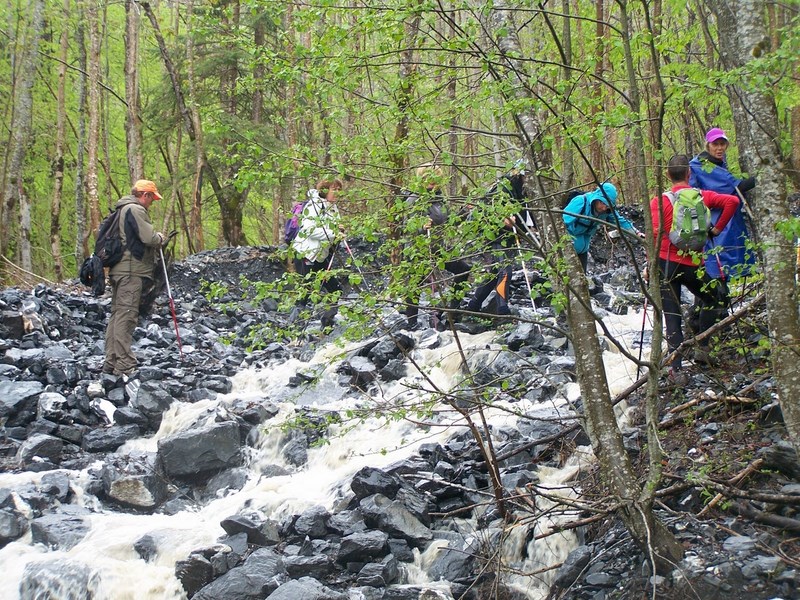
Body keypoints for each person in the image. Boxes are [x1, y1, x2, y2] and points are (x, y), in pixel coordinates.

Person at [651, 155, 739, 378]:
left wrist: (649, 264)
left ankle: (676, 370)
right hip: (693, 265)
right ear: (689, 175)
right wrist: (716, 230)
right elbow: (733, 202)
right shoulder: (701, 196)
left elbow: (654, 233)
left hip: (666, 263)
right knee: (713, 298)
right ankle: (703, 347)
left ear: (668, 175)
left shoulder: (659, 202)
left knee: (672, 315)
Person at [689, 127, 757, 317]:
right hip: (715, 227)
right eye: (715, 144)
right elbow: (734, 187)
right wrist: (760, 177)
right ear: (708, 145)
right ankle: (706, 320)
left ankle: (708, 319)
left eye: (722, 144)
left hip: (724, 225)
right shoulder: (701, 166)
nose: (719, 148)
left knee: (718, 274)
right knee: (714, 272)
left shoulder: (718, 164)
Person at [103, 180, 166, 377]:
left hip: (119, 270)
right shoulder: (136, 210)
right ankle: (124, 363)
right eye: (152, 198)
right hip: (130, 270)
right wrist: (160, 238)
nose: (152, 203)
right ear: (145, 195)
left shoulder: (121, 208)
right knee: (127, 314)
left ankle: (111, 361)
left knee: (117, 314)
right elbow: (149, 238)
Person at [402, 164, 470, 329]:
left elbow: (449, 221)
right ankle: (412, 326)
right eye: (428, 180)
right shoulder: (414, 199)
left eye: (434, 180)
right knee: (414, 286)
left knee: (464, 269)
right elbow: (406, 227)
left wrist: (464, 212)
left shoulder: (440, 199)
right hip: (418, 249)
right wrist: (421, 227)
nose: (432, 184)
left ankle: (450, 309)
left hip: (438, 248)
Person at [466, 161, 535, 317]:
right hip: (494, 235)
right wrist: (502, 217)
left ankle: (473, 307)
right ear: (519, 174)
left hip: (509, 235)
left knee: (496, 273)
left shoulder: (524, 189)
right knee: (505, 272)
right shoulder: (504, 187)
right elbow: (490, 209)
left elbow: (527, 210)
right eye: (527, 175)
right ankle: (502, 311)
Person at [290, 178, 344, 329]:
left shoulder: (333, 208)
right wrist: (334, 233)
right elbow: (308, 229)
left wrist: (339, 231)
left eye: (339, 190)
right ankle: (294, 330)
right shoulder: (314, 206)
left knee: (336, 290)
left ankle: (326, 324)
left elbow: (333, 231)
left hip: (321, 255)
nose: (337, 193)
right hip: (306, 253)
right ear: (325, 190)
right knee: (306, 293)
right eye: (334, 189)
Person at [563, 182, 643, 272]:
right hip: (568, 250)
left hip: (583, 251)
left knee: (581, 282)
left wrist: (636, 233)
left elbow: (621, 222)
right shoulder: (581, 202)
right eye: (603, 203)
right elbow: (562, 222)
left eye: (607, 205)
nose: (604, 208)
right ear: (597, 198)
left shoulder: (607, 211)